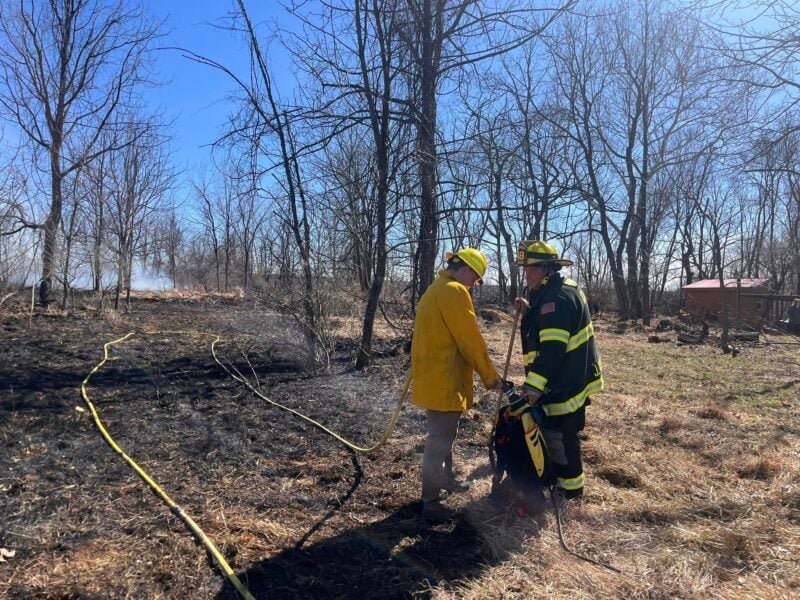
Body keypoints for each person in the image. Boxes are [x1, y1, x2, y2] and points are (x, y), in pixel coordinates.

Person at [411, 248, 503, 522]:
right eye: (474, 280)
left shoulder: (434, 290)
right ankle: (431, 502)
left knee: (444, 436)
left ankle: (446, 481)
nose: (472, 286)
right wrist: (490, 376)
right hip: (444, 381)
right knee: (439, 442)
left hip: (433, 379)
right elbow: (470, 340)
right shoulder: (454, 292)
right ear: (465, 271)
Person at [513, 240, 603, 502]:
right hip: (567, 374)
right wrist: (529, 311)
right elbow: (547, 326)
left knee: (561, 437)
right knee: (556, 431)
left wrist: (533, 387)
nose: (527, 275)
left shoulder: (557, 299)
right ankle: (559, 482)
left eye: (531, 270)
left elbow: (552, 351)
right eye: (525, 270)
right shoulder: (558, 290)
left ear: (547, 269)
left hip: (566, 380)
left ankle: (571, 492)